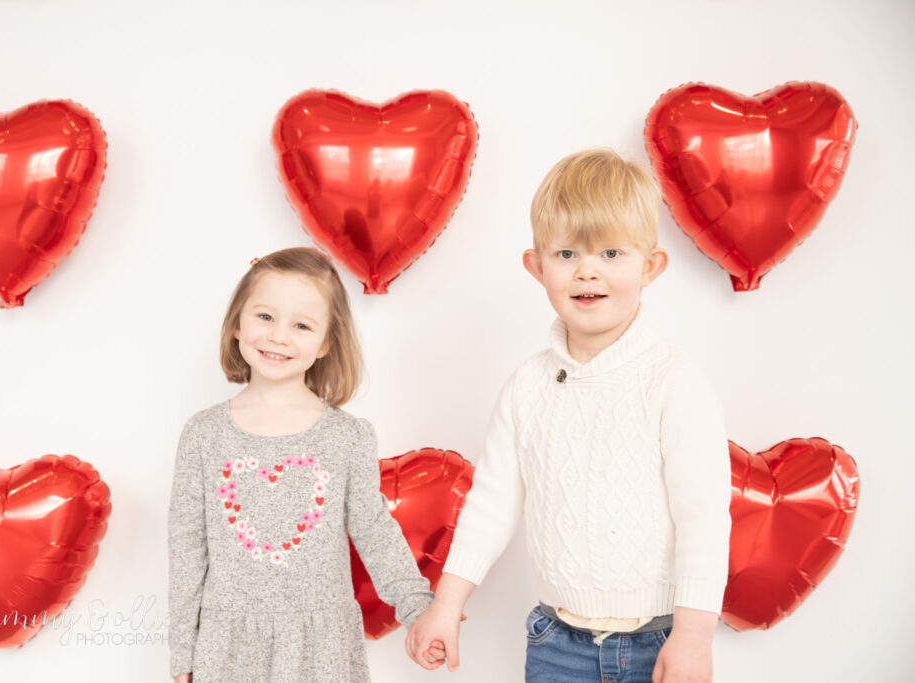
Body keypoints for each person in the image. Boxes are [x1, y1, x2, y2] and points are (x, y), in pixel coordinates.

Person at [406, 149, 731, 683]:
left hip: (658, 640)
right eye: (565, 254)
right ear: (536, 266)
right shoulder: (527, 388)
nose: (586, 270)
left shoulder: (675, 382)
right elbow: (490, 504)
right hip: (556, 644)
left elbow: (703, 517)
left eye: (610, 252)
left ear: (650, 266)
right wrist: (445, 605)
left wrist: (694, 635)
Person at [168, 247, 432, 683]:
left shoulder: (347, 437)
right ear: (238, 322)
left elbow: (374, 529)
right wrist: (183, 654)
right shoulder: (203, 435)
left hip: (321, 647)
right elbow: (187, 550)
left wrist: (416, 604)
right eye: (266, 317)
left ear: (327, 341)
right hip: (229, 646)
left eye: (302, 325)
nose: (279, 337)